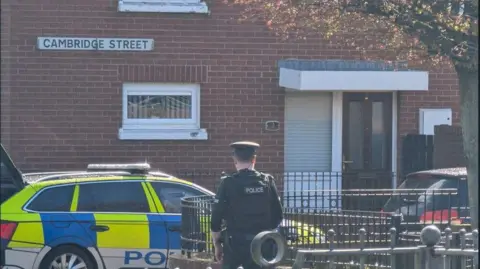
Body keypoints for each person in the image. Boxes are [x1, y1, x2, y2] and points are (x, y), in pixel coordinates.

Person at [210, 141, 284, 269]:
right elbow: (278, 215)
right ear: (254, 159)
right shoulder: (267, 181)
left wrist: (217, 244)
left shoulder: (228, 183)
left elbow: (216, 217)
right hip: (262, 244)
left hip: (235, 245)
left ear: (234, 159)